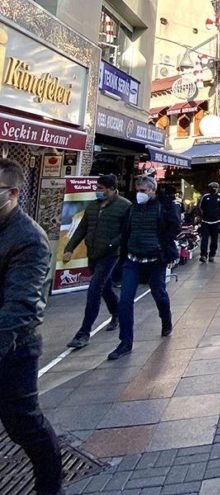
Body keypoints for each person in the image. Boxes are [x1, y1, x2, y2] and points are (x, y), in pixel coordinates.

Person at [0, 159, 64, 495]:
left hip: (14, 349)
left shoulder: (29, 239)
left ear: (12, 193)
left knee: (24, 424)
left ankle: (50, 487)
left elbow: (21, 307)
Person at [111, 175, 181, 360]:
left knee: (159, 294)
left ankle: (166, 321)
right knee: (125, 299)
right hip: (133, 260)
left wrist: (162, 247)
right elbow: (125, 232)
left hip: (155, 260)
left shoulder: (164, 207)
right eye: (138, 191)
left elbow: (175, 227)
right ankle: (125, 342)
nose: (140, 194)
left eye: (143, 191)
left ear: (152, 190)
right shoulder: (132, 209)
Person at [64, 174, 131, 349]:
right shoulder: (92, 207)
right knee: (104, 287)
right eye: (97, 188)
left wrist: (112, 244)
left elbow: (126, 231)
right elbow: (82, 229)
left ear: (111, 189)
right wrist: (69, 249)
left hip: (110, 254)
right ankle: (116, 313)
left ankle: (84, 332)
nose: (97, 192)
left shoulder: (124, 206)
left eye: (100, 189)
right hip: (93, 253)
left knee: (94, 288)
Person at [198, 181, 220, 262]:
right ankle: (203, 255)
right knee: (204, 239)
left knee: (214, 239)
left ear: (218, 188)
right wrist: (203, 216)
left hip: (216, 221)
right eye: (211, 188)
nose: (213, 189)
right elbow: (201, 207)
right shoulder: (205, 197)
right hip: (205, 221)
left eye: (215, 188)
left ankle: (212, 255)